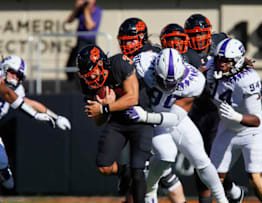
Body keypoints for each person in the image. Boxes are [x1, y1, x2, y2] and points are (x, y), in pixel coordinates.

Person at [127, 48, 229, 203]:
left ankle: (222, 200)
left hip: (172, 117)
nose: (168, 86)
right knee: (167, 154)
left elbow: (175, 118)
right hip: (151, 117)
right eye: (163, 81)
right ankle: (149, 191)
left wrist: (145, 116)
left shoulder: (194, 80)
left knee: (201, 159)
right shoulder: (144, 64)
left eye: (173, 82)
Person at [119, 18, 185, 203]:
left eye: (131, 39)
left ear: (141, 38)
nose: (126, 44)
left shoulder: (148, 57)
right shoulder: (145, 55)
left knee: (143, 173)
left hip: (153, 119)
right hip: (150, 118)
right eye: (124, 40)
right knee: (163, 173)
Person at [77, 45, 153, 203]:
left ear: (101, 65)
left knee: (138, 171)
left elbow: (133, 98)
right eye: (86, 76)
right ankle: (124, 172)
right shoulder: (87, 83)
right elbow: (98, 121)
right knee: (103, 166)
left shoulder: (119, 63)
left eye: (91, 75)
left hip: (141, 118)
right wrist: (103, 110)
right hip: (118, 121)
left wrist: (106, 106)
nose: (89, 80)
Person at [184, 14, 246, 203]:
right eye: (192, 35)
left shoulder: (221, 42)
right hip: (197, 108)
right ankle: (230, 191)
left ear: (209, 33)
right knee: (199, 157)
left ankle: (227, 192)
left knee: (210, 157)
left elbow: (238, 60)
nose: (197, 38)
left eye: (200, 34)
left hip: (219, 108)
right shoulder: (185, 53)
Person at [205, 38, 262, 203]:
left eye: (226, 61)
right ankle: (235, 196)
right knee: (214, 179)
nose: (221, 64)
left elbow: (256, 120)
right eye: (219, 59)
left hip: (251, 131)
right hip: (227, 128)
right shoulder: (211, 67)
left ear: (237, 61)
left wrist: (237, 116)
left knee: (256, 179)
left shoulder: (248, 80)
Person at [0, 55, 71, 190]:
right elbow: (7, 94)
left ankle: (3, 170)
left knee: (2, 160)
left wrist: (55, 117)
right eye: (12, 72)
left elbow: (28, 103)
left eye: (18, 75)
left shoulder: (17, 89)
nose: (15, 77)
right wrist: (35, 115)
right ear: (4, 68)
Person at [66, 0, 102, 81]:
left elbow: (89, 26)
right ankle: (74, 84)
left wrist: (86, 10)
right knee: (71, 65)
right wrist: (77, 8)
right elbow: (69, 20)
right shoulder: (80, 10)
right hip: (80, 41)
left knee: (86, 64)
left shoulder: (97, 11)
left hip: (89, 41)